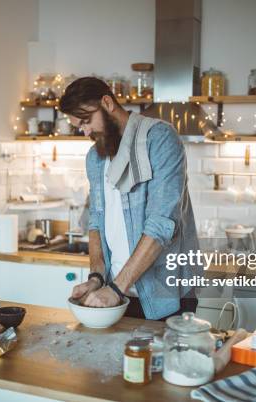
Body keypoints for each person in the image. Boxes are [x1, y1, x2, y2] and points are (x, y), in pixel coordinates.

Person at [59, 77, 200, 321]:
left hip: (164, 292)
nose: (86, 132)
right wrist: (97, 277)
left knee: (161, 360)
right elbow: (96, 222)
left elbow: (161, 224)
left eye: (86, 121)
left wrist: (116, 288)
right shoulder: (95, 157)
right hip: (118, 293)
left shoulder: (160, 139)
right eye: (79, 126)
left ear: (107, 103)